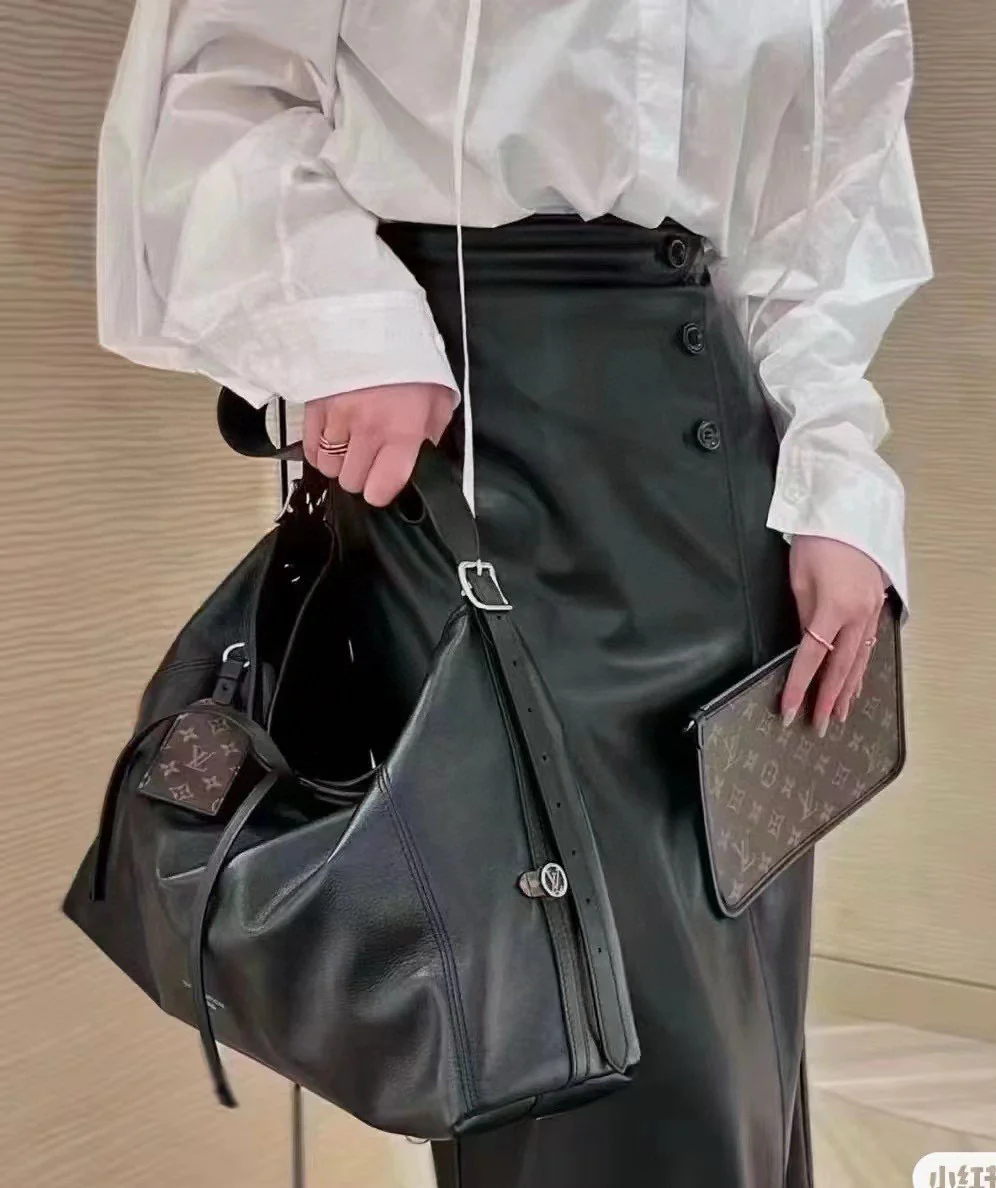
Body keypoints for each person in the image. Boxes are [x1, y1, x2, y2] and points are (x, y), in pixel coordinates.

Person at [96, 1, 932, 1185]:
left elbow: (831, 196)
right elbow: (218, 84)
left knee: (730, 1022)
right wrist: (347, 325)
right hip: (478, 451)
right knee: (562, 1023)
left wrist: (837, 479)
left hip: (726, 474)